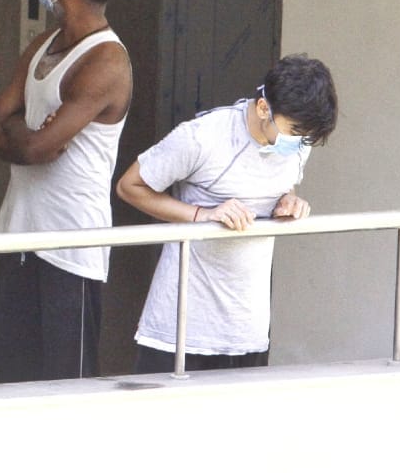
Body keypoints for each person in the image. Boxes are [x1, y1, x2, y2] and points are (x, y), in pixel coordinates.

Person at [117, 54, 337, 374]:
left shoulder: (298, 144)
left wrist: (289, 202)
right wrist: (201, 214)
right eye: (295, 132)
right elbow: (129, 186)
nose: (301, 143)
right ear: (264, 108)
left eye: (307, 137)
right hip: (182, 329)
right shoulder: (203, 136)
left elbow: (281, 185)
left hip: (248, 329)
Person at [0, 0, 133, 383]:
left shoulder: (107, 61)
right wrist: (24, 135)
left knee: (67, 385)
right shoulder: (42, 46)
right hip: (17, 235)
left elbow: (35, 147)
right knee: (5, 380)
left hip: (71, 246)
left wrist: (24, 135)